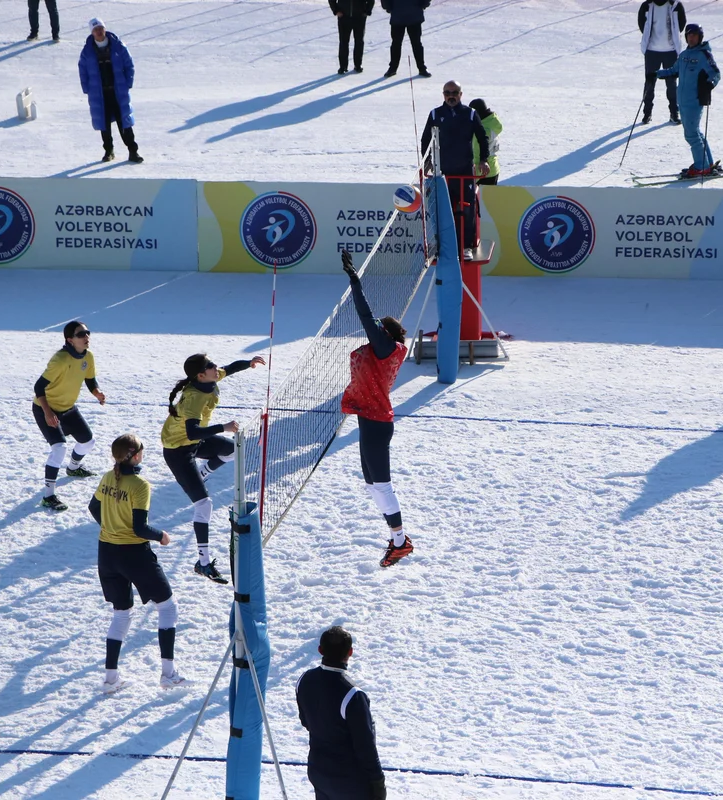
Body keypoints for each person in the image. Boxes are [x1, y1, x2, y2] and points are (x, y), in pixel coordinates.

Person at [89, 433, 186, 693]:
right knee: (167, 606)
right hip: (133, 553)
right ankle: (168, 674)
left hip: (106, 552)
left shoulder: (108, 477)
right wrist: (162, 536)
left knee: (121, 613)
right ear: (134, 455)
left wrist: (111, 529)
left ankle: (111, 680)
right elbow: (140, 528)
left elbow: (93, 508)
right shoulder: (140, 485)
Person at [161, 353, 265, 583]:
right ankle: (203, 563)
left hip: (194, 442)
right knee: (204, 504)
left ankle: (203, 473)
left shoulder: (211, 377)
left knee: (235, 451)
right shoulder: (194, 397)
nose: (215, 367)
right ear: (200, 374)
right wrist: (223, 427)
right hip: (178, 449)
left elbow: (230, 367)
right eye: (210, 365)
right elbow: (192, 432)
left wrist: (249, 364)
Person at [340, 251, 413, 568]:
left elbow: (364, 314)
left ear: (384, 332)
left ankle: (400, 541)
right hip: (370, 422)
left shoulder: (385, 348)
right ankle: (397, 539)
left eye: (377, 329)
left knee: (381, 485)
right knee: (372, 485)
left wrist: (355, 281)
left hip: (377, 423)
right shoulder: (387, 349)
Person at [295, 626, 387, 799]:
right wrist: (378, 782)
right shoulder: (353, 695)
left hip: (318, 772)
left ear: (320, 650)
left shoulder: (304, 679)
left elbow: (306, 721)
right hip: (350, 781)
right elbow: (365, 747)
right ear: (350, 652)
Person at [34, 320, 105, 512]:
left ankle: (73, 468)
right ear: (70, 340)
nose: (86, 337)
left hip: (68, 408)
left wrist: (96, 392)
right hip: (45, 407)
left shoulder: (88, 357)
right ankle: (48, 496)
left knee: (88, 442)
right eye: (81, 334)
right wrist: (48, 412)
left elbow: (90, 380)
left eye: (87, 332)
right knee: (59, 449)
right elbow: (38, 387)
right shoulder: (60, 359)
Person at [420, 81, 489, 258]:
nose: (451, 96)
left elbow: (482, 138)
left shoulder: (470, 114)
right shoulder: (436, 114)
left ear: (460, 94)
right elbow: (425, 139)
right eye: (447, 93)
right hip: (442, 172)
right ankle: (442, 246)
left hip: (465, 172)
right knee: (442, 210)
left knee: (468, 209)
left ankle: (466, 247)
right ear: (443, 94)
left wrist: (483, 160)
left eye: (454, 92)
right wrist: (426, 160)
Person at [656, 23, 719, 178]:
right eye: (689, 35)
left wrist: (710, 84)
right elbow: (674, 70)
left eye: (694, 35)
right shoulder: (684, 55)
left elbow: (715, 73)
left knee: (691, 134)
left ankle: (701, 166)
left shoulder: (704, 55)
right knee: (696, 132)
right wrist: (656, 74)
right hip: (682, 101)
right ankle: (707, 163)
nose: (691, 38)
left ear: (700, 37)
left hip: (695, 100)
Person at [78, 18, 143, 164]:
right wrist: (87, 88)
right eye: (96, 30)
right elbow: (82, 70)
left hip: (118, 92)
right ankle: (109, 151)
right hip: (99, 94)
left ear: (105, 29)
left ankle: (133, 151)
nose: (99, 32)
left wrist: (127, 83)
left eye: (101, 29)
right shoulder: (87, 51)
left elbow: (129, 65)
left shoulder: (118, 46)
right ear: (92, 32)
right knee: (104, 123)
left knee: (124, 122)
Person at [637, 0, 685, 125]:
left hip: (670, 50)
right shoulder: (647, 5)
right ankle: (647, 113)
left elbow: (682, 23)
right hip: (652, 50)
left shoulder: (676, 5)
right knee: (649, 82)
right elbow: (642, 24)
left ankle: (674, 113)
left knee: (671, 84)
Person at [381, 0, 431, 79]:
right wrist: (387, 6)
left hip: (414, 15)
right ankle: (393, 68)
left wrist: (424, 4)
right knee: (396, 44)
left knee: (416, 43)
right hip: (398, 15)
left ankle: (421, 67)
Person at [331, 0, 374, 75]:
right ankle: (343, 66)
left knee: (359, 41)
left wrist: (367, 11)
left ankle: (357, 65)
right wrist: (336, 10)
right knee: (343, 42)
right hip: (344, 17)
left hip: (359, 17)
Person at [469, 98, 502, 186]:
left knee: (477, 199)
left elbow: (477, 153)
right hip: (493, 169)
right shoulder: (493, 122)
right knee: (489, 199)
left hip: (482, 172)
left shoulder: (482, 129)